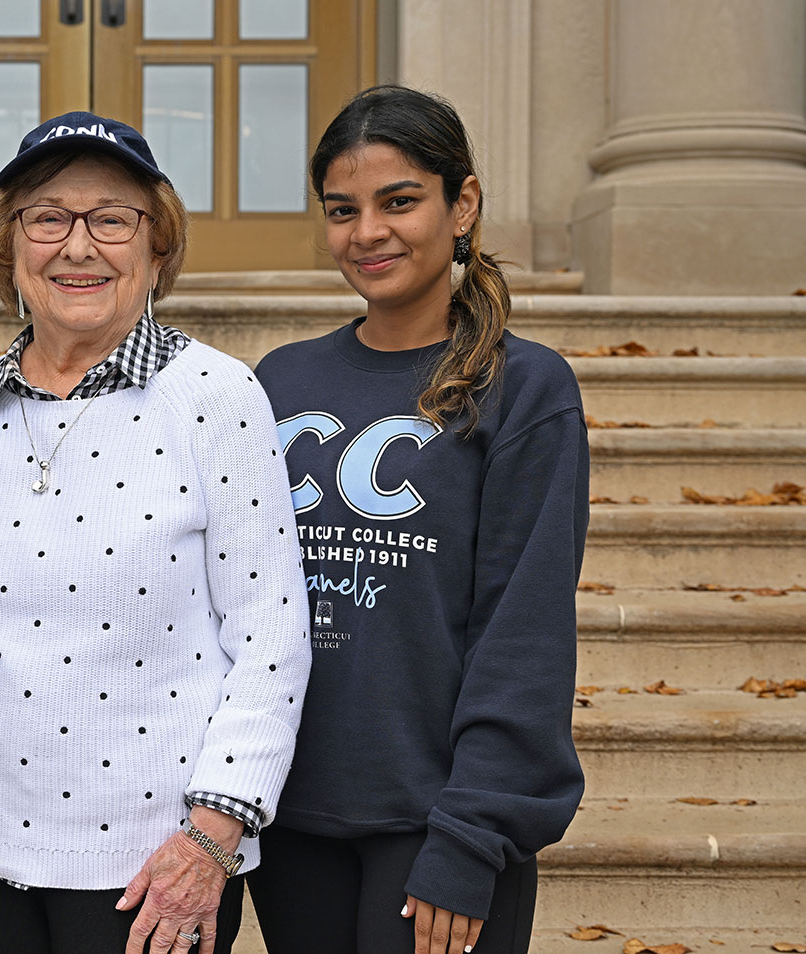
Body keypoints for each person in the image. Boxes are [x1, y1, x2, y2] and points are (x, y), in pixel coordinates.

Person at [0, 111, 311, 954]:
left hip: (152, 865)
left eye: (112, 220)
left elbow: (272, 634)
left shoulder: (217, 398)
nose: (77, 246)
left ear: (158, 249)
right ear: (10, 247)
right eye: (47, 218)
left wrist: (214, 835)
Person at [248, 85, 589, 954]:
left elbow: (524, 629)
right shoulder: (279, 382)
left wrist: (473, 835)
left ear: (461, 203)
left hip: (437, 823)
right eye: (343, 209)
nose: (368, 233)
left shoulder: (525, 388)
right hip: (293, 819)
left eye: (399, 201)